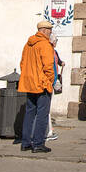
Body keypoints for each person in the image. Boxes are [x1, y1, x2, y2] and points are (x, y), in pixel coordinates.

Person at [18, 20, 57, 153]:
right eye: (50, 30)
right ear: (45, 30)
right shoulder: (45, 45)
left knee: (29, 113)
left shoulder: (28, 44)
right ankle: (38, 143)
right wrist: (49, 81)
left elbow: (22, 63)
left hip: (29, 83)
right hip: (42, 84)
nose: (51, 32)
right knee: (42, 114)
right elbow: (48, 66)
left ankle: (26, 142)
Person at [47, 35, 64, 141]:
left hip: (52, 79)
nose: (56, 42)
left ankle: (49, 130)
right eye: (56, 40)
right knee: (45, 108)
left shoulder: (54, 51)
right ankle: (48, 131)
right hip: (48, 81)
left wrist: (61, 63)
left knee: (47, 106)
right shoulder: (48, 51)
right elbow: (50, 67)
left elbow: (57, 61)